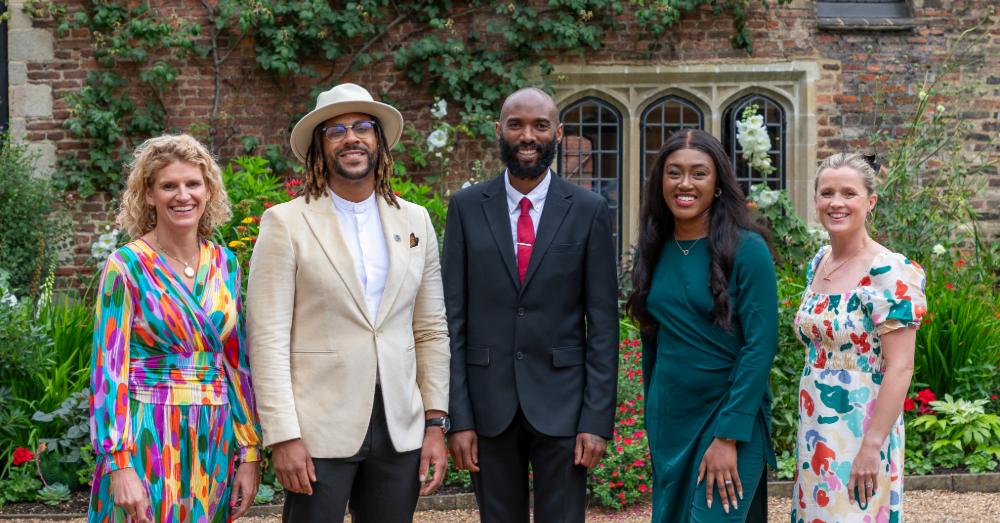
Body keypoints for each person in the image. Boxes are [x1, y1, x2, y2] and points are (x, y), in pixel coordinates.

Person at [245, 83, 451, 523]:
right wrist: (283, 436)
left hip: (400, 428)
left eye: (362, 127)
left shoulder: (416, 220)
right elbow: (267, 338)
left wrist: (435, 424)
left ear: (379, 140)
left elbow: (430, 328)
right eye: (335, 131)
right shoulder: (285, 223)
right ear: (320, 147)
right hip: (318, 429)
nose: (351, 138)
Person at [443, 87, 620, 522]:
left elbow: (602, 324)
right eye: (516, 124)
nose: (528, 135)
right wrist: (458, 418)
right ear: (498, 130)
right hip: (488, 406)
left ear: (557, 133)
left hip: (564, 405)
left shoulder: (588, 210)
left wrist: (596, 420)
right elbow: (453, 319)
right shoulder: (466, 208)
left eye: (540, 125)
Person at [89, 134, 262, 523]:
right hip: (145, 432)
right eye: (168, 185)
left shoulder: (226, 264)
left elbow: (236, 365)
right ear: (148, 195)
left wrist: (249, 451)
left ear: (208, 190)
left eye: (193, 184)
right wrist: (118, 463)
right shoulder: (126, 266)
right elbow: (107, 368)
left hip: (211, 436)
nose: (182, 195)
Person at [624, 129, 779, 523]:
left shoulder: (748, 250)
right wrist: (652, 414)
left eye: (699, 173)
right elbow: (652, 341)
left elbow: (761, 347)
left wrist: (729, 434)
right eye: (674, 173)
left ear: (719, 184)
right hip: (670, 420)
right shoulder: (653, 247)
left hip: (727, 415)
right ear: (660, 182)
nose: (685, 184)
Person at [791, 153, 925, 522]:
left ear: (871, 202)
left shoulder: (890, 271)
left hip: (862, 425)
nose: (836, 203)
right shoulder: (818, 262)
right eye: (827, 193)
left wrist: (871, 445)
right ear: (815, 199)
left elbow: (901, 366)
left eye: (849, 193)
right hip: (816, 425)